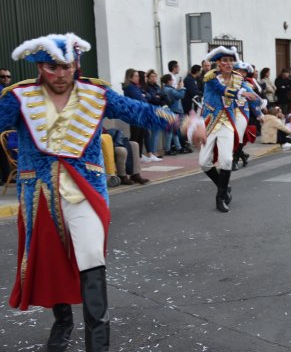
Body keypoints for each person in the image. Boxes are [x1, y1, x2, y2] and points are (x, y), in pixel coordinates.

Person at [0, 33, 202, 351]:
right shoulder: (19, 97)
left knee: (91, 257)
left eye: (68, 66)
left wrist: (181, 124)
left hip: (85, 190)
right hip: (39, 194)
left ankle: (98, 345)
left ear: (77, 63)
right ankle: (63, 320)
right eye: (54, 67)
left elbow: (140, 111)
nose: (62, 74)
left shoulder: (96, 92)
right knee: (50, 262)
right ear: (40, 66)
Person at [199, 46, 258, 212]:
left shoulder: (238, 78)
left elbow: (250, 92)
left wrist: (257, 99)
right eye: (225, 60)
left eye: (231, 60)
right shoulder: (210, 77)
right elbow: (222, 90)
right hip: (210, 122)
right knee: (204, 163)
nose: (228, 64)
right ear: (218, 62)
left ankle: (220, 197)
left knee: (226, 160)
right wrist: (241, 94)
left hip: (227, 123)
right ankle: (224, 187)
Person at [231, 61, 264, 170]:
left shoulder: (245, 85)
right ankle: (243, 155)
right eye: (238, 70)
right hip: (227, 112)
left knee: (239, 136)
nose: (241, 73)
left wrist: (259, 115)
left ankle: (234, 161)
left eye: (243, 71)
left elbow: (256, 100)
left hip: (241, 112)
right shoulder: (225, 81)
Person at [122, 69, 153, 163]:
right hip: (135, 114)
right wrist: (143, 96)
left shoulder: (136, 86)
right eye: (135, 76)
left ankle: (138, 155)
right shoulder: (129, 87)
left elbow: (149, 96)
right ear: (130, 77)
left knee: (141, 135)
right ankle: (132, 156)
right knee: (135, 136)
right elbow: (139, 98)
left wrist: (144, 95)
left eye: (138, 76)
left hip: (141, 113)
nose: (138, 78)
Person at [143, 69, 168, 161]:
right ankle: (153, 152)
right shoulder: (147, 87)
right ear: (148, 78)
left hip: (159, 109)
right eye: (152, 77)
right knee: (154, 131)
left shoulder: (157, 86)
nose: (154, 78)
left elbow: (164, 97)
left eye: (155, 76)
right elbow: (153, 99)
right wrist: (158, 97)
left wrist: (159, 97)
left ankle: (155, 151)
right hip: (152, 110)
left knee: (157, 131)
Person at [162, 74, 187, 155]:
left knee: (173, 131)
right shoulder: (170, 90)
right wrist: (182, 87)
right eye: (172, 80)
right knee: (170, 131)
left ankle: (178, 147)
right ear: (169, 81)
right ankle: (168, 149)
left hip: (170, 110)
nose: (173, 82)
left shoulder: (165, 89)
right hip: (174, 110)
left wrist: (178, 88)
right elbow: (180, 95)